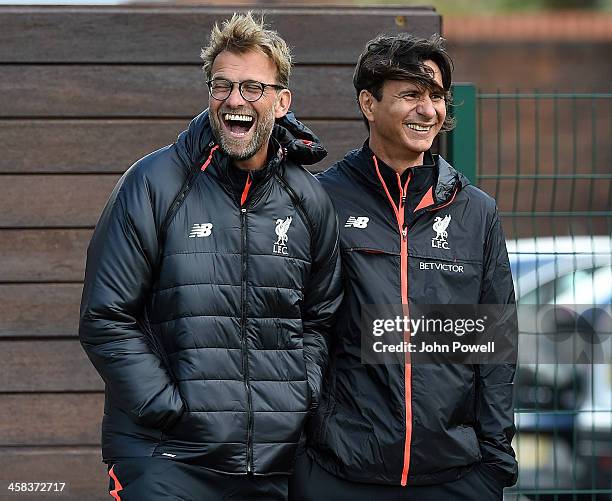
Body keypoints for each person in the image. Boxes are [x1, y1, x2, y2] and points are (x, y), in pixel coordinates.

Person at [79, 12, 342, 500]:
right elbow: (105, 315)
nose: (234, 100)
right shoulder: (153, 184)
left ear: (282, 102)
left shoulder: (309, 201)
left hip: (270, 463)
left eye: (252, 88)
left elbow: (319, 318)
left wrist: (294, 399)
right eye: (222, 86)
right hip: (166, 458)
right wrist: (168, 409)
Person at [290, 34, 517, 500]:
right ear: (369, 103)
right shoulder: (321, 201)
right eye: (412, 94)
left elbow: (494, 346)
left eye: (436, 96)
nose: (429, 110)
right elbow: (296, 326)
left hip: (456, 476)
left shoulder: (477, 212)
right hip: (340, 474)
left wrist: (494, 462)